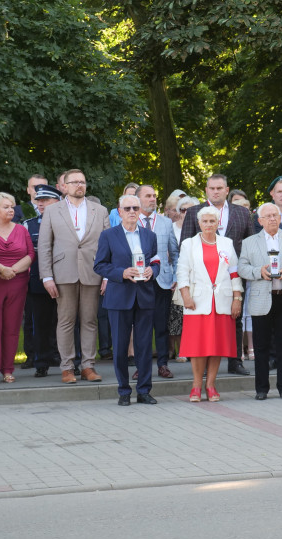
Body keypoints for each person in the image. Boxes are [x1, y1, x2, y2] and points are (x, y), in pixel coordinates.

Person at [38, 168, 109, 384]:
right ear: (64, 186)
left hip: (92, 271)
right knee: (66, 321)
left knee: (89, 320)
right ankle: (67, 368)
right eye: (75, 182)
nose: (80, 185)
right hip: (63, 272)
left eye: (83, 182)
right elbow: (44, 245)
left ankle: (88, 366)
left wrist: (106, 275)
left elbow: (108, 244)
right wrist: (46, 277)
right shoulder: (52, 211)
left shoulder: (100, 210)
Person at [180, 174, 254, 376]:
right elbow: (184, 245)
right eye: (212, 188)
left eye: (219, 188)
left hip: (232, 276)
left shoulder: (242, 213)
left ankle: (235, 361)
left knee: (234, 317)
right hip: (202, 279)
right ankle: (203, 365)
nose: (216, 191)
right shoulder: (194, 212)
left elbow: (250, 243)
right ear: (206, 190)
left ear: (227, 190)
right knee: (204, 322)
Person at [238, 203, 282, 398]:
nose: (272, 219)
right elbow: (242, 268)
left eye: (275, 215)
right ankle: (261, 389)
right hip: (262, 299)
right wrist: (258, 272)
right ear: (260, 221)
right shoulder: (249, 242)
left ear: (280, 219)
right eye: (267, 216)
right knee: (261, 346)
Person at [93, 195, 160, 405]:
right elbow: (99, 265)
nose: (132, 211)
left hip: (144, 296)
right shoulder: (108, 235)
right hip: (119, 297)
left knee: (144, 347)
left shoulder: (150, 235)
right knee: (120, 347)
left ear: (140, 211)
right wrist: (121, 273)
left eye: (135, 208)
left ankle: (144, 390)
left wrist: (153, 271)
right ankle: (123, 391)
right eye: (127, 208)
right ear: (119, 211)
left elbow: (156, 261)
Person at [177, 206, 243, 402]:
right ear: (199, 223)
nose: (208, 224)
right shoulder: (189, 244)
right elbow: (181, 272)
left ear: (217, 223)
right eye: (205, 221)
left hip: (222, 300)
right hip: (197, 302)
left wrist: (237, 298)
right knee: (198, 346)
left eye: (212, 221)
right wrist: (186, 295)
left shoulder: (227, 243)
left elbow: (234, 272)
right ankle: (196, 386)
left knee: (217, 345)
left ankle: (211, 385)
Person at [0, 192, 34, 384]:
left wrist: (13, 270)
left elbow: (30, 254)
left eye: (12, 206)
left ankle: (8, 369)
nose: (11, 210)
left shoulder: (21, 230)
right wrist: (1, 269)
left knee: (12, 327)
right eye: (6, 207)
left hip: (17, 282)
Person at [136, 185, 179, 379]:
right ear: (138, 199)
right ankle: (141, 366)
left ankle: (163, 364)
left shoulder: (165, 223)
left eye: (154, 196)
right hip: (138, 281)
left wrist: (177, 276)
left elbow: (174, 253)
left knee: (161, 325)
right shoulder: (130, 221)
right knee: (140, 326)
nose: (153, 199)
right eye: (148, 196)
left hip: (162, 280)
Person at [23, 185, 62, 378]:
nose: (40, 204)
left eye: (45, 200)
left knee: (69, 322)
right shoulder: (28, 225)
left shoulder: (67, 222)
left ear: (57, 202)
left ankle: (72, 361)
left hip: (66, 279)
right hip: (39, 281)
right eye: (38, 200)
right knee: (40, 323)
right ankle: (41, 362)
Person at [170, 196, 198, 362]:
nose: (187, 213)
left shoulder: (202, 227)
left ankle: (196, 349)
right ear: (178, 212)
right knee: (180, 317)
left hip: (198, 277)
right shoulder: (171, 228)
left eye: (190, 209)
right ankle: (182, 350)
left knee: (195, 316)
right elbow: (172, 255)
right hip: (180, 276)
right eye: (183, 209)